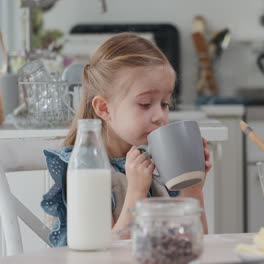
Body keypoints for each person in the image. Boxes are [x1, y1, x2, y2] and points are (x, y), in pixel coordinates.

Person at [41, 33, 211, 247]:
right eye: (145, 104)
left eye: (165, 103)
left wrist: (192, 189)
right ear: (104, 109)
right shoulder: (85, 168)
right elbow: (104, 252)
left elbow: (194, 243)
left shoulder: (157, 161)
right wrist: (137, 192)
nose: (160, 115)